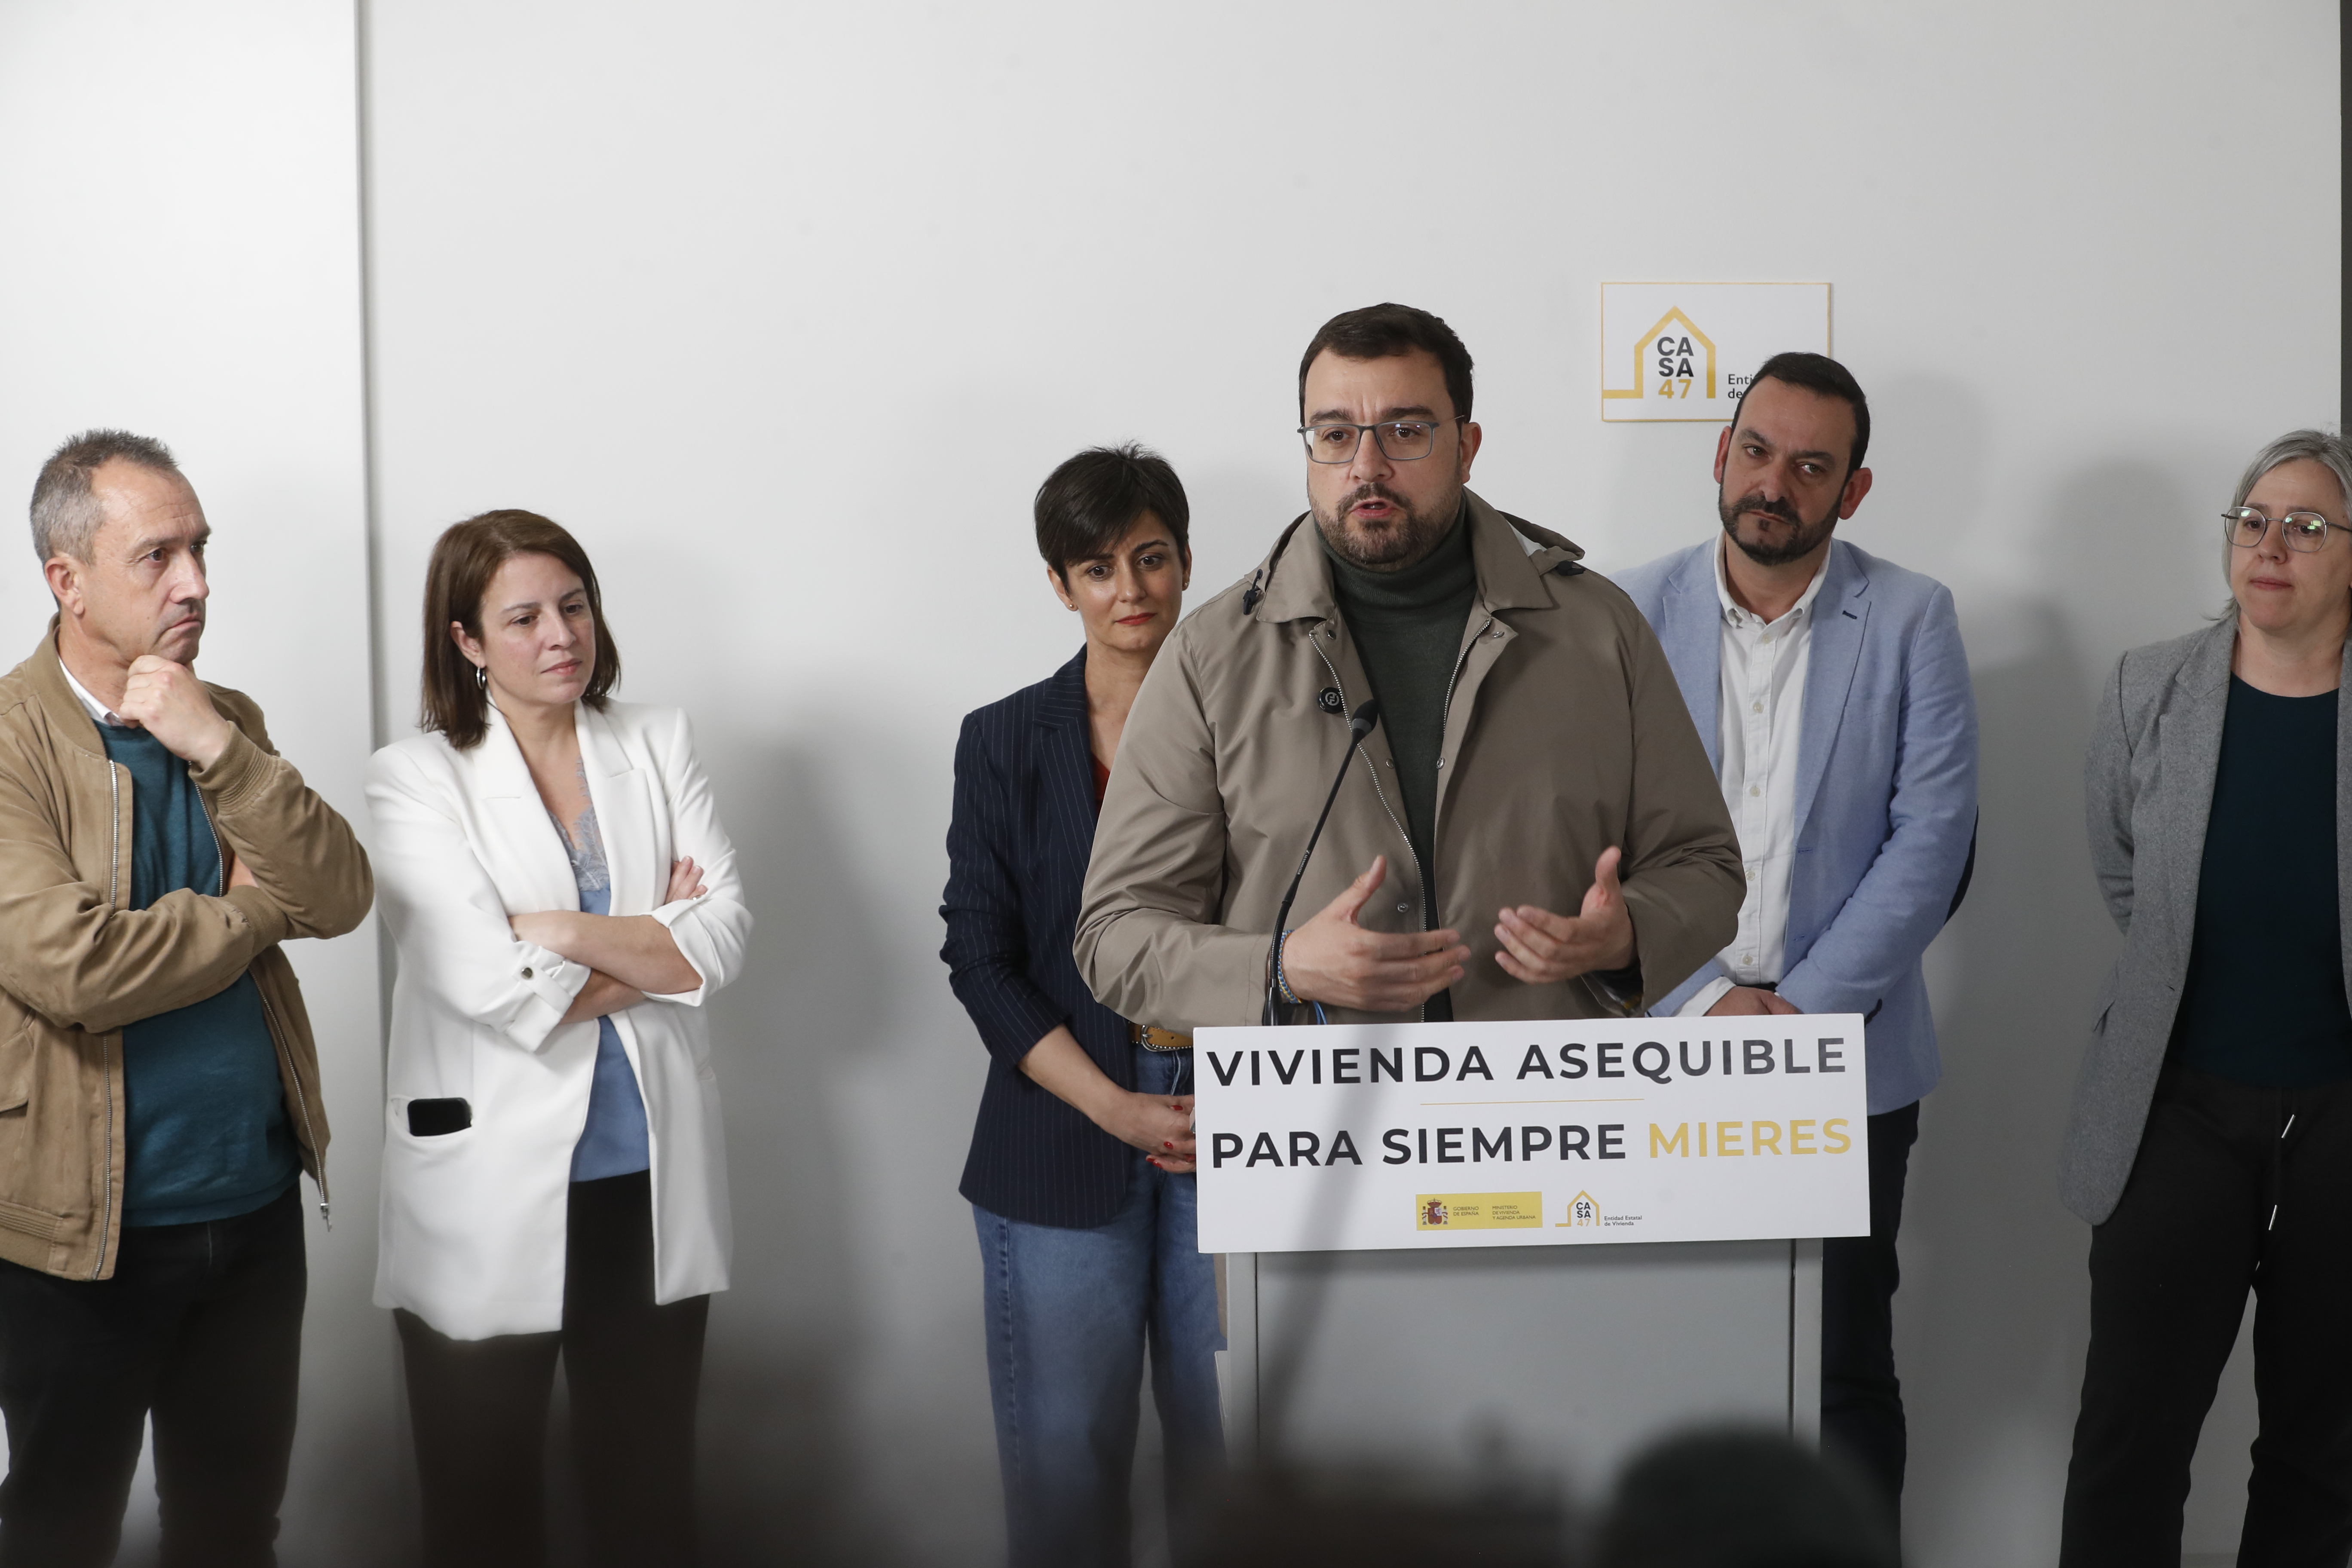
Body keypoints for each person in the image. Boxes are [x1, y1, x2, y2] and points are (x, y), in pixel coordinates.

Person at [1075, 303, 1742, 1038]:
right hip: (1316, 1103)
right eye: (1335, 435)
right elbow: (1115, 936)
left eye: (1405, 431)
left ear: (1466, 446)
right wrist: (1282, 968)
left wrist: (1627, 937)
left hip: (1544, 1096)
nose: (1367, 467)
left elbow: (1705, 866)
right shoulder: (1210, 657)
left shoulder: (1598, 628)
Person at [1614, 352, 1978, 1526]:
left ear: (1853, 491)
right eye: (1759, 452)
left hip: (1849, 1061)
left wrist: (1799, 1020)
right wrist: (1705, 999)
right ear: (1721, 455)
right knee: (1666, 1356)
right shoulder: (1621, 611)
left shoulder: (1913, 617)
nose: (1776, 483)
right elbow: (1585, 830)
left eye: (1812, 467)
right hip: (1664, 1046)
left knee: (1841, 1369)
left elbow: (1933, 838)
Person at [0, 429, 373, 1565]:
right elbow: (77, 970)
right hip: (79, 1239)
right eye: (157, 556)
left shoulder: (227, 719)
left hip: (254, 1212)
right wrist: (254, 913)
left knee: (231, 1532)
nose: (196, 582)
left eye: (201, 550)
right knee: (61, 1532)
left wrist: (217, 742)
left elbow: (341, 894)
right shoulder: (9, 742)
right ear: (67, 581)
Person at [366, 510, 750, 1568]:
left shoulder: (655, 740)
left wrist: (565, 932)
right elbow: (489, 986)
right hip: (482, 1181)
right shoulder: (414, 778)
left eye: (574, 606)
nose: (560, 635)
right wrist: (658, 943)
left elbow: (725, 939)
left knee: (648, 1501)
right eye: (524, 617)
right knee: (480, 1511)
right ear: (467, 642)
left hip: (648, 1179)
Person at [2059, 429, 2352, 1564]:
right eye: (2253, 520)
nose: (2270, 545)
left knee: (2320, 1454)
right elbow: (2126, 873)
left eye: (2307, 526)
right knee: (2131, 1443)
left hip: (2340, 1122)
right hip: (2173, 1108)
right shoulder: (2151, 685)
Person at [942, 444, 1222, 1568]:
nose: (1131, 590)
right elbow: (980, 958)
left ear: (1187, 561)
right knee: (1067, 1474)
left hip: (1239, 1118)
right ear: (1060, 586)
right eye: (1098, 569)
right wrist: (1113, 1105)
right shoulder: (1004, 739)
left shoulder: (1266, 723)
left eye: (1150, 558)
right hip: (1061, 1125)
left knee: (1237, 1462)